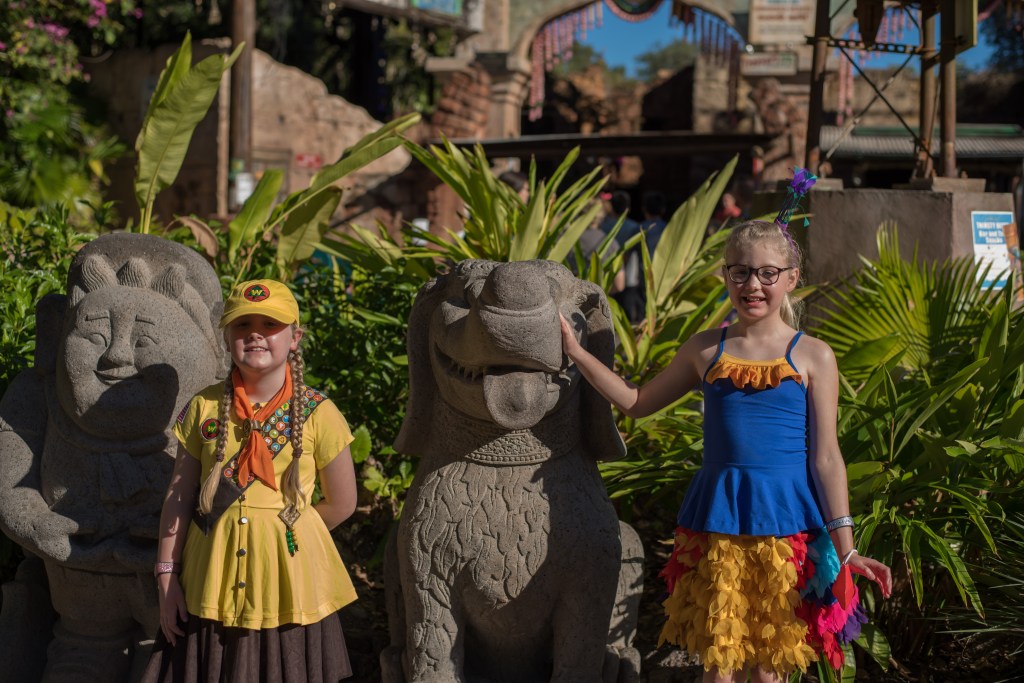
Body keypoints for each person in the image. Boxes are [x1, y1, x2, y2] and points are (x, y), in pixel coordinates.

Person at [559, 218, 892, 683]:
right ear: (726, 276)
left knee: (770, 668)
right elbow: (637, 403)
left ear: (791, 278)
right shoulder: (704, 349)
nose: (753, 285)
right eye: (741, 272)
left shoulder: (814, 355)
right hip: (720, 524)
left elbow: (827, 458)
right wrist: (578, 354)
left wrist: (847, 548)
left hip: (787, 527)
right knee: (721, 664)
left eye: (768, 273)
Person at [143, 279, 359, 682]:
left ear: (295, 338)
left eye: (270, 324)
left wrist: (288, 535)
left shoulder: (320, 413)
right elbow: (179, 497)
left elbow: (343, 503)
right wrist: (166, 575)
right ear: (227, 338)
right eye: (242, 325)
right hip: (209, 581)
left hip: (289, 586)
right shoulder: (203, 407)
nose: (255, 333)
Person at [640, 191, 668, 257]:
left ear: (644, 209)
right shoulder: (668, 228)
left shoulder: (639, 229)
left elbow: (627, 255)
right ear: (663, 209)